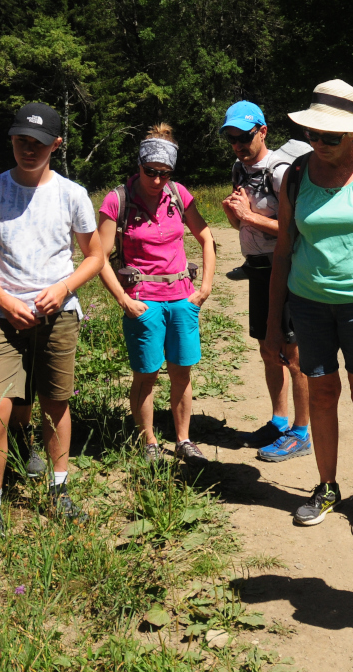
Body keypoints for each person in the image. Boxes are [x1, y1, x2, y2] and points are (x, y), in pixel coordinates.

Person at [266, 79, 353, 537]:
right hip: (308, 304)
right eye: (314, 134)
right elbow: (284, 251)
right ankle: (327, 486)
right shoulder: (296, 174)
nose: (320, 143)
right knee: (322, 393)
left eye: (331, 136)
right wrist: (273, 323)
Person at [0, 103, 104, 556]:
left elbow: (95, 256)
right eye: (22, 140)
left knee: (54, 403)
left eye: (39, 143)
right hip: (0, 317)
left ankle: (59, 491)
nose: (29, 149)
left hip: (57, 314)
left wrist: (62, 289)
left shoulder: (72, 194)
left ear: (55, 145)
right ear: (12, 140)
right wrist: (2, 299)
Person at [96, 124, 217, 466]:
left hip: (181, 298)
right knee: (146, 374)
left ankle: (183, 439)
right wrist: (123, 298)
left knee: (182, 372)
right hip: (143, 300)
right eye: (151, 171)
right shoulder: (117, 200)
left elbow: (206, 238)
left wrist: (204, 287)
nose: (157, 180)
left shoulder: (178, 195)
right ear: (139, 165)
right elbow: (99, 256)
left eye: (165, 173)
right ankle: (148, 440)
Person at [219, 101, 311, 461]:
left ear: (263, 131)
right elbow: (240, 223)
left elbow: (298, 231)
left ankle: (301, 432)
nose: (239, 145)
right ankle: (278, 420)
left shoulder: (280, 172)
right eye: (232, 139)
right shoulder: (238, 170)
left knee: (293, 351)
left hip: (285, 269)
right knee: (267, 347)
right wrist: (234, 216)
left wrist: (248, 217)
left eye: (244, 137)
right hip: (256, 269)